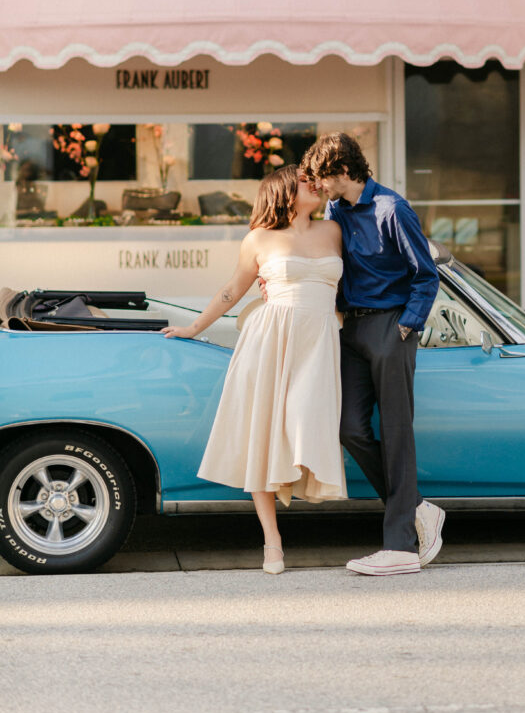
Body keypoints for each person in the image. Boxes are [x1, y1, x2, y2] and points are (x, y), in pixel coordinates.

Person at [162, 164, 346, 575]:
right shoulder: (258, 239)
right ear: (283, 192)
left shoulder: (333, 230)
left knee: (304, 420)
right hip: (269, 341)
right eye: (305, 181)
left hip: (318, 343)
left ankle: (294, 497)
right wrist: (193, 327)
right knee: (263, 438)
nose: (314, 185)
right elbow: (231, 290)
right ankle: (273, 543)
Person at [299, 133, 443, 576]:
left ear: (343, 171)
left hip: (390, 326)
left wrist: (406, 326)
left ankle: (399, 546)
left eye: (322, 177)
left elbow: (426, 274)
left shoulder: (392, 209)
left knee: (398, 433)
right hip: (353, 328)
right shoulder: (336, 209)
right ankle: (417, 507)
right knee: (350, 428)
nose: (317, 186)